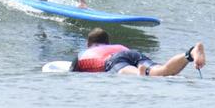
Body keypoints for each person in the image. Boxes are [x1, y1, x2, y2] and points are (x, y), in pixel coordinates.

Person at [71, 27, 206, 77]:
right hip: (132, 53)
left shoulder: (84, 53)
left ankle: (138, 73)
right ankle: (190, 54)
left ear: (88, 44)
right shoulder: (117, 46)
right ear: (107, 43)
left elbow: (72, 73)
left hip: (114, 60)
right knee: (162, 70)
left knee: (132, 72)